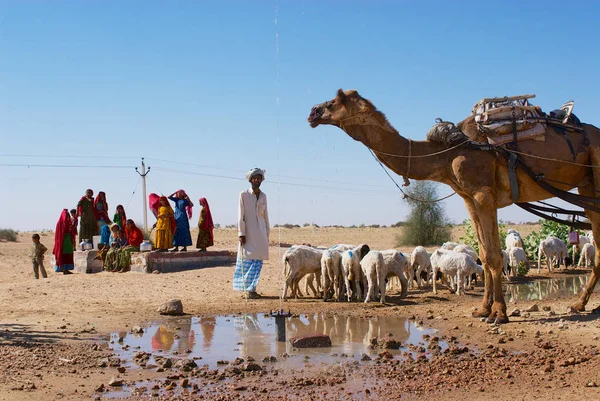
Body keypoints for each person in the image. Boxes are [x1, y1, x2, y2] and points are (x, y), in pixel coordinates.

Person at [233, 168, 270, 299]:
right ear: (250, 180)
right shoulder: (243, 194)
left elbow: (265, 216)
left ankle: (252, 290)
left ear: (261, 180)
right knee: (246, 262)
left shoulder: (264, 196)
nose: (256, 180)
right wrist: (241, 233)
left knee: (257, 263)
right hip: (247, 234)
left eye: (259, 178)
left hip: (261, 234)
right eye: (254, 178)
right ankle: (247, 290)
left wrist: (267, 234)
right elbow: (240, 215)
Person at [53, 209, 75, 275]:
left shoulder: (68, 223)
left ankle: (66, 269)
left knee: (68, 254)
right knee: (64, 255)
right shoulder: (60, 224)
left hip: (67, 241)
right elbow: (58, 235)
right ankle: (64, 269)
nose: (67, 217)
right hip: (63, 242)